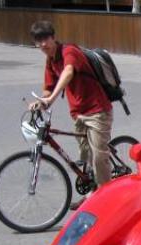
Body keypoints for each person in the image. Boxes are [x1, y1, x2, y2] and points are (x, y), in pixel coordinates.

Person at [29, 20, 113, 209]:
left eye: (46, 39)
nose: (43, 44)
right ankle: (93, 191)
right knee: (86, 156)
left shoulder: (69, 51)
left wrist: (51, 99)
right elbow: (48, 88)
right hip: (78, 112)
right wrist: (42, 101)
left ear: (53, 37)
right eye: (38, 41)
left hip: (97, 110)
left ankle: (106, 200)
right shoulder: (50, 60)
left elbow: (68, 72)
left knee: (99, 156)